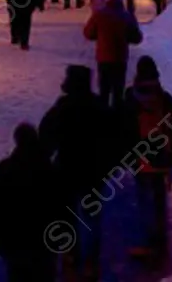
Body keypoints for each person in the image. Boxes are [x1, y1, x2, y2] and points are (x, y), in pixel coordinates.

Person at [39, 66, 115, 280]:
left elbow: (46, 135)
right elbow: (113, 137)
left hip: (68, 170)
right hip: (94, 171)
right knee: (92, 218)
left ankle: (71, 256)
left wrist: (46, 158)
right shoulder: (99, 106)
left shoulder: (62, 107)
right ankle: (91, 261)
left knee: (68, 217)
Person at [0, 124, 57, 282]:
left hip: (13, 243)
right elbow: (59, 204)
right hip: (44, 242)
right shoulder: (48, 168)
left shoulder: (4, 168)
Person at [122, 56, 172, 261]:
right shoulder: (166, 99)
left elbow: (125, 129)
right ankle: (160, 243)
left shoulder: (131, 98)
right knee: (159, 201)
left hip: (142, 159)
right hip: (161, 158)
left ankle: (149, 243)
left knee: (145, 201)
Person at [83, 0, 142, 107]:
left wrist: (100, 36)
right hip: (120, 58)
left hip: (103, 58)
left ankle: (104, 117)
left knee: (104, 91)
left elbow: (88, 33)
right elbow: (137, 38)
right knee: (118, 91)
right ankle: (117, 117)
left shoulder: (99, 15)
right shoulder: (126, 16)